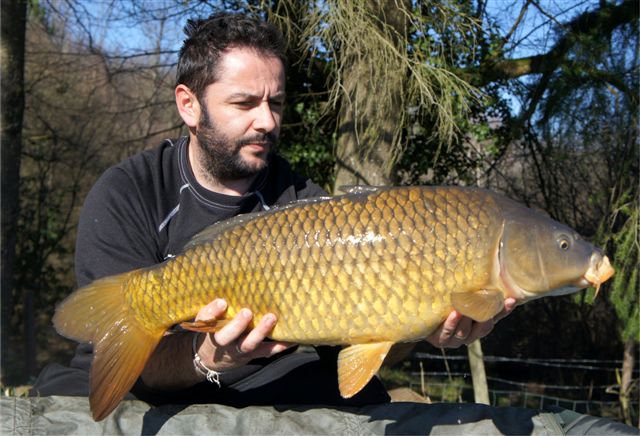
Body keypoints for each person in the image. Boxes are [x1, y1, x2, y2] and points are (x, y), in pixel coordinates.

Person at [31, 12, 515, 409]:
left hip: (276, 395)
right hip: (161, 391)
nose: (266, 121)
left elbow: (362, 340)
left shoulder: (308, 204)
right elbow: (137, 364)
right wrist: (207, 357)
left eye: (276, 102)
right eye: (244, 103)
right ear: (189, 105)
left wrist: (427, 328)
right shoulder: (128, 192)